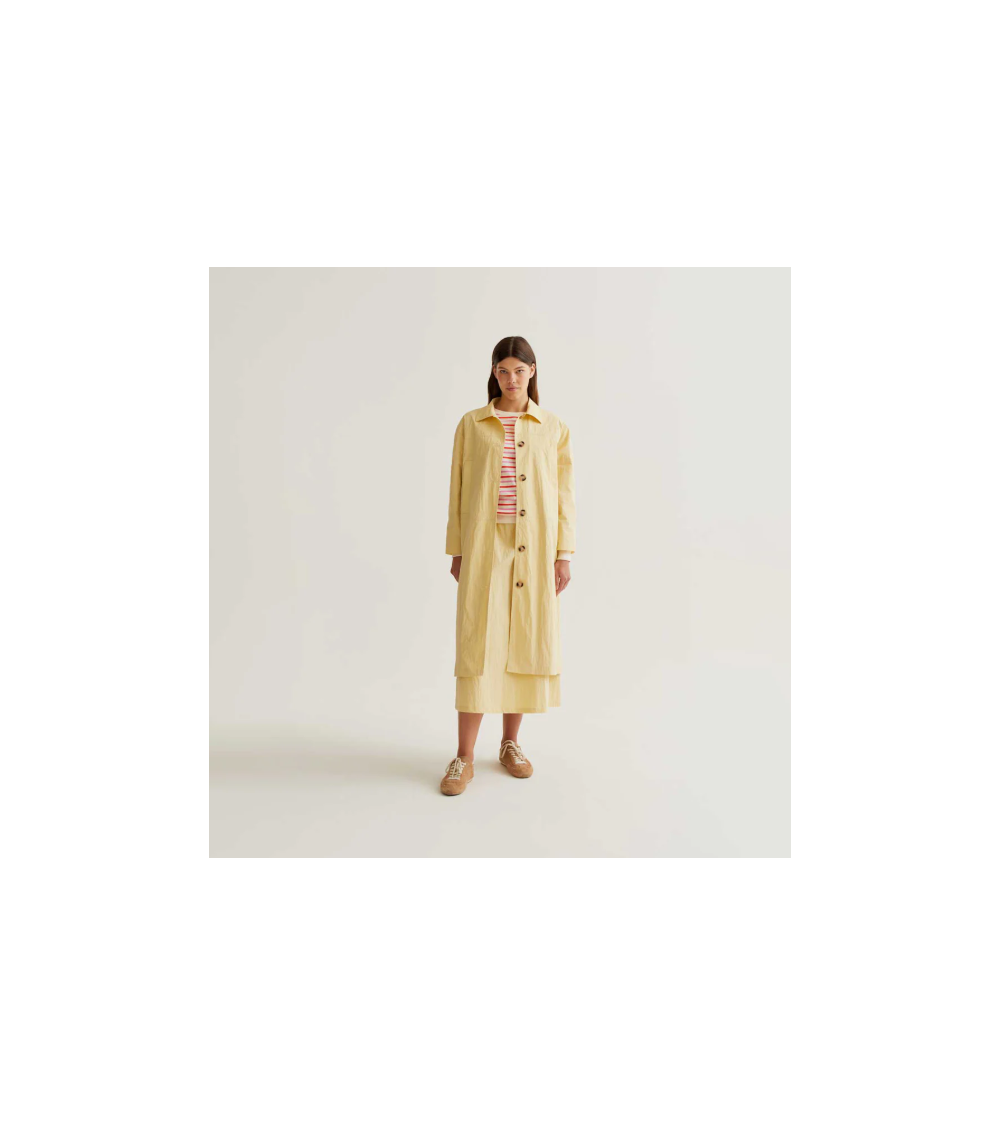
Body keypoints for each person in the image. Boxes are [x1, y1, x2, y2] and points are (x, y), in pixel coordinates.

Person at [440, 336, 576, 796]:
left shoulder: (552, 427)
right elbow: (457, 490)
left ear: (532, 371)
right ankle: (463, 756)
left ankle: (510, 744)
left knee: (522, 641)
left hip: (533, 547)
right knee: (478, 645)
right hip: (484, 545)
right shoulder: (472, 424)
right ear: (493, 373)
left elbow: (564, 496)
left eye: (520, 370)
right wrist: (458, 550)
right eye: (503, 370)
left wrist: (563, 554)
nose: (511, 379)